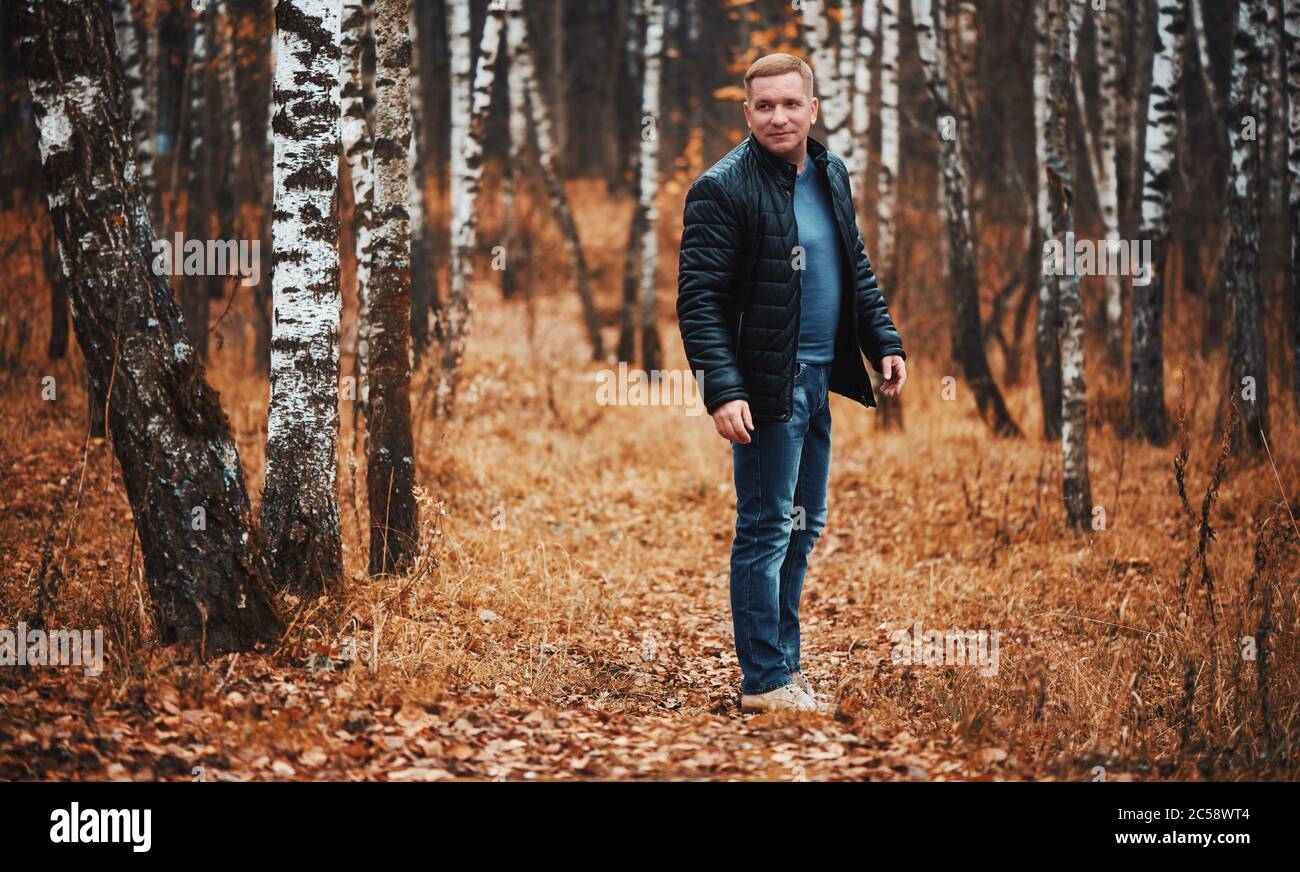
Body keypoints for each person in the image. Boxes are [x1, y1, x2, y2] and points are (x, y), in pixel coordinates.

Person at [676, 53, 907, 713]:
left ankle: (784, 668)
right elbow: (700, 301)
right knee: (767, 527)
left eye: (789, 103)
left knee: (803, 527)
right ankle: (767, 683)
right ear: (747, 113)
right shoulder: (723, 189)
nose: (778, 116)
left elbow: (853, 261)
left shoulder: (830, 171)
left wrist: (882, 340)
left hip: (819, 379)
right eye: (764, 105)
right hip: (767, 386)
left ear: (812, 108)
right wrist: (724, 389)